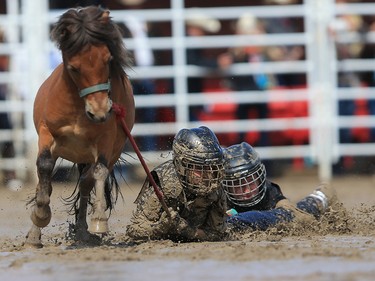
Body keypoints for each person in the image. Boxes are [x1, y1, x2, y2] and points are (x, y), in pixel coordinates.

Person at [126, 126, 227, 242]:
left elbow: (216, 234)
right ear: (182, 165)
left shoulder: (215, 187)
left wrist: (189, 231)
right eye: (199, 168)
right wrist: (160, 228)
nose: (207, 174)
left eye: (212, 167)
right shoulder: (164, 185)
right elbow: (134, 231)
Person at [222, 142, 337, 231]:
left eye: (250, 181)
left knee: (301, 213)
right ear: (226, 186)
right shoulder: (220, 198)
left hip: (272, 215)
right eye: (237, 185)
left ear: (260, 177)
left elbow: (295, 216)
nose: (246, 190)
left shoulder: (270, 191)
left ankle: (321, 195)